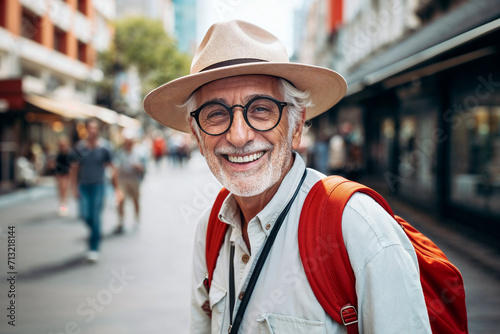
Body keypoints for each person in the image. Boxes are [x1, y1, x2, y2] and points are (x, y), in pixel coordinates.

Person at [143, 20, 431, 333]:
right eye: (215, 113)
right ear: (197, 137)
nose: (239, 136)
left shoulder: (359, 228)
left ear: (295, 126)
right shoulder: (210, 228)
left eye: (261, 110)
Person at [70, 119, 123, 262]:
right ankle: (95, 231)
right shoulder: (80, 147)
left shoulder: (105, 148)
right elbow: (74, 169)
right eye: (90, 128)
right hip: (84, 186)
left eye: (95, 128)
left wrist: (116, 189)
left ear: (98, 130)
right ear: (86, 129)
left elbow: (113, 168)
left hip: (99, 186)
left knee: (95, 216)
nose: (92, 131)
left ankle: (94, 248)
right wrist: (74, 188)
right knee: (84, 215)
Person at [113, 133, 147, 234]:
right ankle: (121, 221)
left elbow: (144, 168)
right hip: (123, 180)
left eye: (129, 142)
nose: (128, 144)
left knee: (135, 200)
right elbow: (116, 167)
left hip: (134, 180)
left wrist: (138, 167)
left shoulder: (139, 153)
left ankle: (136, 218)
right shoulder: (120, 153)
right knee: (121, 200)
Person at [51, 136, 72, 216]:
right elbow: (56, 164)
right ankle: (62, 205)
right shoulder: (58, 153)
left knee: (65, 190)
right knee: (61, 191)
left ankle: (64, 206)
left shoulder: (69, 153)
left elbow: (71, 164)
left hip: (66, 174)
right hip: (59, 173)